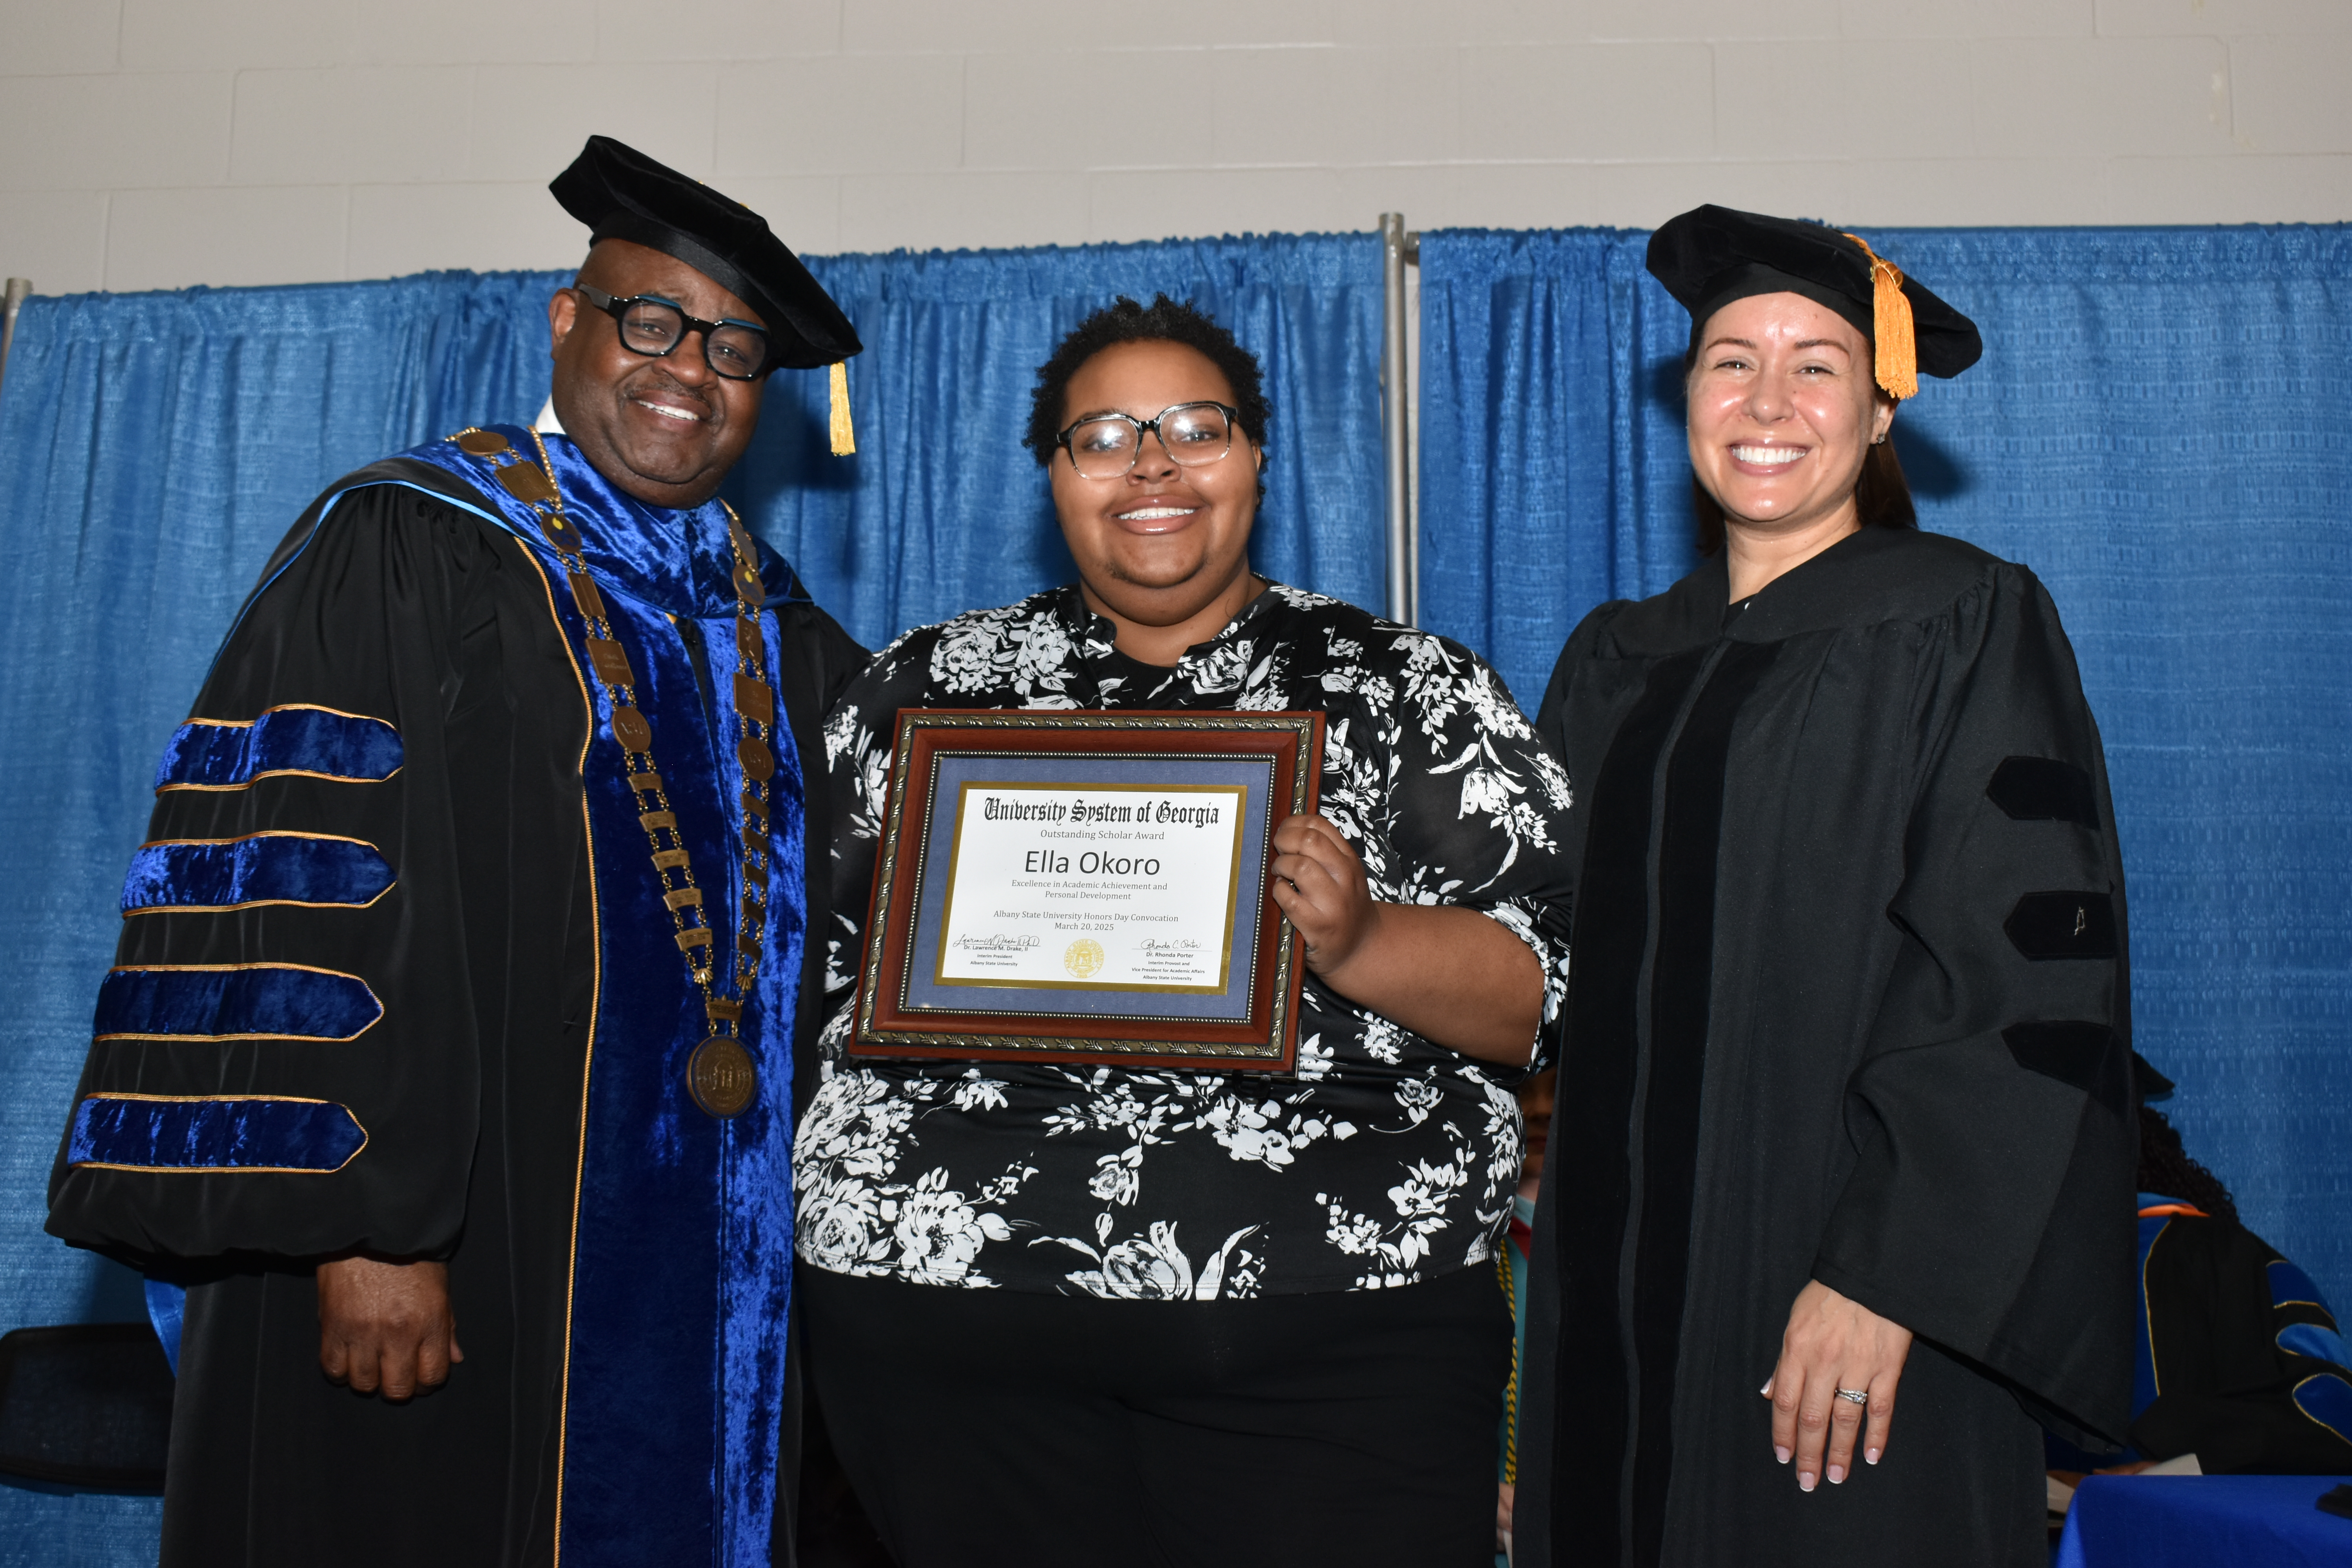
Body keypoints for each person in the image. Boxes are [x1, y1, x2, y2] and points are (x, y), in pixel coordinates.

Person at [44, 135, 867, 1566]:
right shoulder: (413, 544)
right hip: (448, 1252)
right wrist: (361, 1229)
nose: (690, 368)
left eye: (736, 349)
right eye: (650, 319)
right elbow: (296, 902)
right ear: (568, 319)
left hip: (718, 1279)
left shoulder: (780, 637)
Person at [794, 294, 1575, 1567]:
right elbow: (809, 975)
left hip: (1329, 1360)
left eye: (1193, 427)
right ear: (1052, 476)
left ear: (1257, 456)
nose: (1150, 462)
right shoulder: (919, 688)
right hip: (946, 1355)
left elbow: (1543, 994)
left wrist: (1365, 940)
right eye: (1102, 436)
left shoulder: (1406, 690)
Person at [1515, 206, 2141, 1566]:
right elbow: (1531, 966)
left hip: (1845, 1279)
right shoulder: (1615, 662)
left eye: (1818, 366)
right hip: (1609, 1295)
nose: (1769, 400)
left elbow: (2028, 973)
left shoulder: (1963, 618)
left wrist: (1888, 1276)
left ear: (1875, 417)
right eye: (1731, 359)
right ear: (1688, 399)